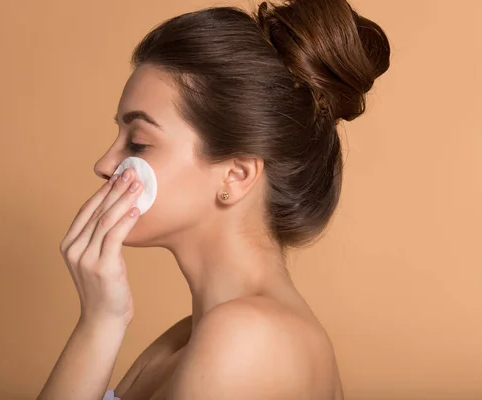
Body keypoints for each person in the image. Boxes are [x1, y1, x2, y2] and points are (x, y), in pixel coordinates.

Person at [37, 0, 391, 398]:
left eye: (137, 143)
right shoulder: (185, 338)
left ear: (236, 175)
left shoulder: (246, 339)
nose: (104, 164)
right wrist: (99, 321)